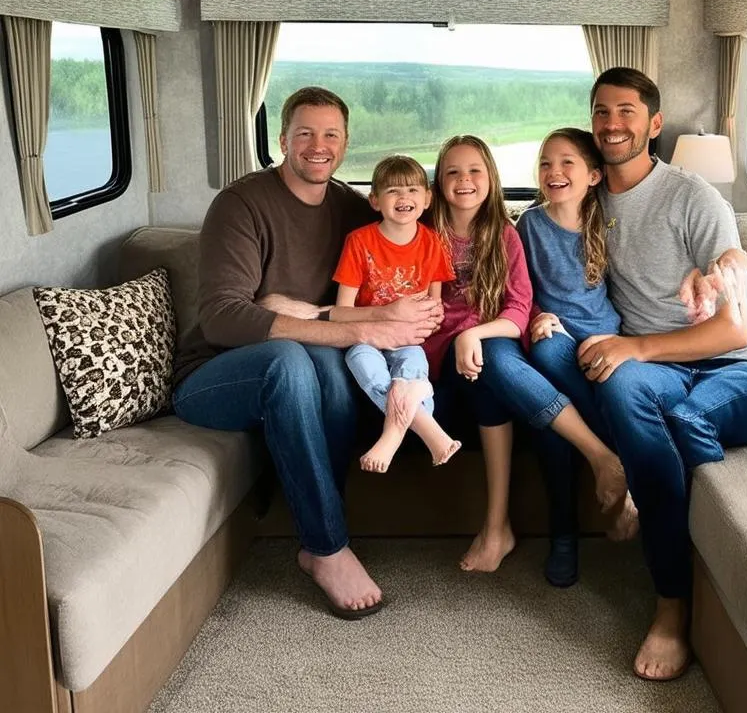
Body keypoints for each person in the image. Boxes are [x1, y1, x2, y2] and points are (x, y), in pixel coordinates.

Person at [172, 87, 441, 619]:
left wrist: (306, 312)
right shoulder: (241, 203)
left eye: (331, 135)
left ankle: (322, 517)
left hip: (304, 358)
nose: (318, 146)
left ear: (344, 144)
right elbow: (224, 316)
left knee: (328, 369)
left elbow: (397, 264)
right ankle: (326, 549)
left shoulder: (347, 207)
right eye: (305, 134)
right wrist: (348, 327)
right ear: (282, 140)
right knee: (292, 359)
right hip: (212, 374)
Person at [579, 67, 747, 682]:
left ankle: (671, 605)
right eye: (601, 111)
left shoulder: (692, 196)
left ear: (653, 124)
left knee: (677, 415)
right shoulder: (591, 199)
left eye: (626, 112)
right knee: (618, 385)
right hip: (669, 366)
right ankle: (646, 486)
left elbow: (733, 323)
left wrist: (720, 274)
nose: (612, 124)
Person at [425, 134, 632, 582]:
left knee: (520, 372)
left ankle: (568, 528)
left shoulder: (597, 222)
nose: (464, 180)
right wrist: (533, 318)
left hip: (564, 338)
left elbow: (517, 303)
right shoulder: (444, 232)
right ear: (436, 184)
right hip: (492, 346)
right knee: (528, 358)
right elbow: (525, 304)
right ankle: (602, 460)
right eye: (452, 172)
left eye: (475, 170)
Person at [333, 154, 461, 473]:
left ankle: (393, 431)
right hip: (368, 335)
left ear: (428, 198)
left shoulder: (432, 243)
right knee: (359, 361)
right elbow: (341, 311)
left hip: (409, 339)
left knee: (414, 364)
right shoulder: (359, 242)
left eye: (412, 190)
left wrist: (417, 328)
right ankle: (425, 425)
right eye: (392, 191)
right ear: (375, 201)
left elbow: (434, 310)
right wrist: (383, 320)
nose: (404, 198)